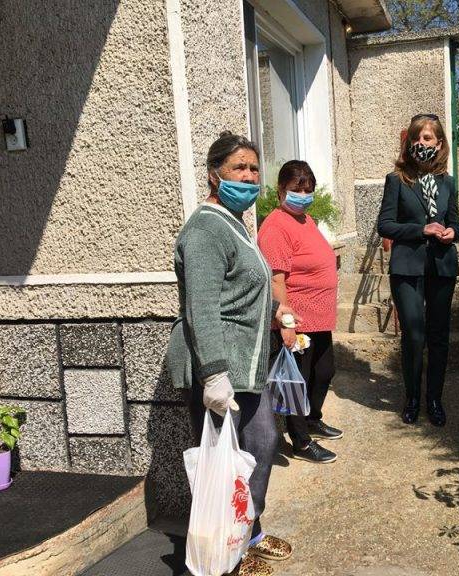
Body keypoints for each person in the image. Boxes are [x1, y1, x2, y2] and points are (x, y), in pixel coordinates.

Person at [168, 131, 296, 576]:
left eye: (254, 169)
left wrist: (279, 311)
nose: (249, 176)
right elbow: (202, 307)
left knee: (259, 444)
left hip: (244, 365)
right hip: (220, 365)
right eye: (239, 167)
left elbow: (242, 290)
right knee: (227, 465)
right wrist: (214, 374)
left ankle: (247, 534)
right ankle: (226, 557)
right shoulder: (205, 229)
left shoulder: (234, 224)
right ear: (214, 174)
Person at [376, 114, 459, 427]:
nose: (421, 143)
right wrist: (420, 230)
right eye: (416, 138)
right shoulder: (396, 180)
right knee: (413, 334)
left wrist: (452, 232)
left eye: (427, 138)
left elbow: (456, 223)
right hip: (407, 267)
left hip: (441, 265)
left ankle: (434, 400)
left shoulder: (448, 183)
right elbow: (385, 225)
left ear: (439, 144)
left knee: (439, 336)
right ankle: (412, 398)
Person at [258, 160, 343, 464]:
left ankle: (311, 419)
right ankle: (301, 443)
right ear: (281, 190)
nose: (303, 195)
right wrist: (286, 323)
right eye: (297, 190)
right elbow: (276, 279)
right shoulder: (275, 226)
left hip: (319, 318)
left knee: (324, 372)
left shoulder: (305, 220)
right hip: (298, 319)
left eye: (308, 190)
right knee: (297, 382)